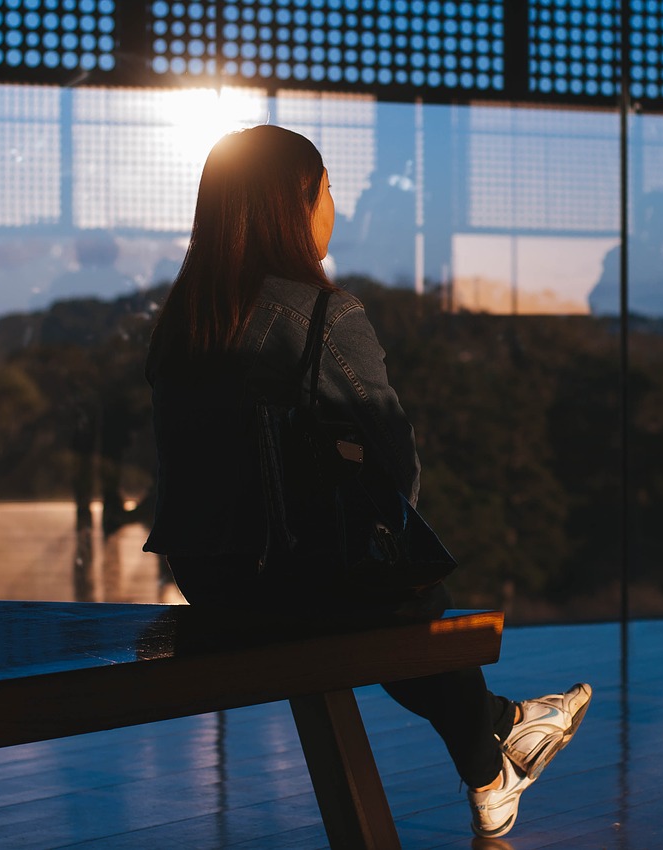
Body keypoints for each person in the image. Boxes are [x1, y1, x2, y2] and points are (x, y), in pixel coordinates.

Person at [141, 124, 591, 839]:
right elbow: (395, 465)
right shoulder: (321, 313)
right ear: (295, 203)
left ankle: (505, 737)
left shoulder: (185, 323)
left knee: (376, 601)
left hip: (209, 578)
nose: (336, 207)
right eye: (327, 188)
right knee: (402, 594)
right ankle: (496, 747)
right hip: (294, 580)